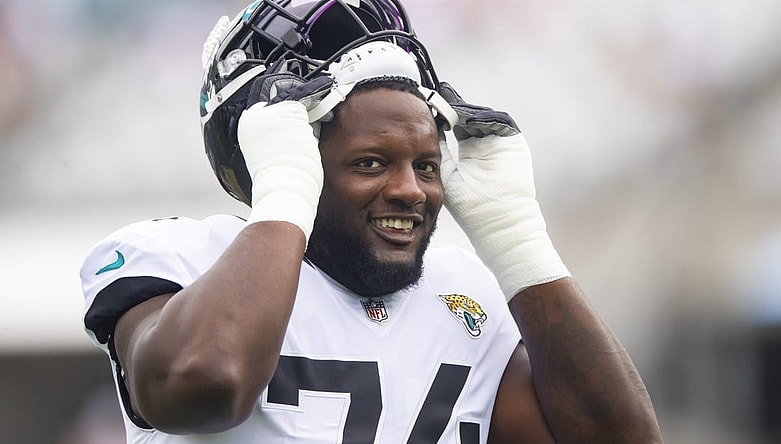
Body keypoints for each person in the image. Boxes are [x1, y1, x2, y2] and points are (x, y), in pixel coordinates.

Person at [80, 1, 663, 442]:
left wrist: (519, 245)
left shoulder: (466, 295)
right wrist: (286, 197)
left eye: (427, 165)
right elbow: (200, 386)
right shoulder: (177, 257)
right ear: (289, 158)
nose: (410, 189)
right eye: (370, 162)